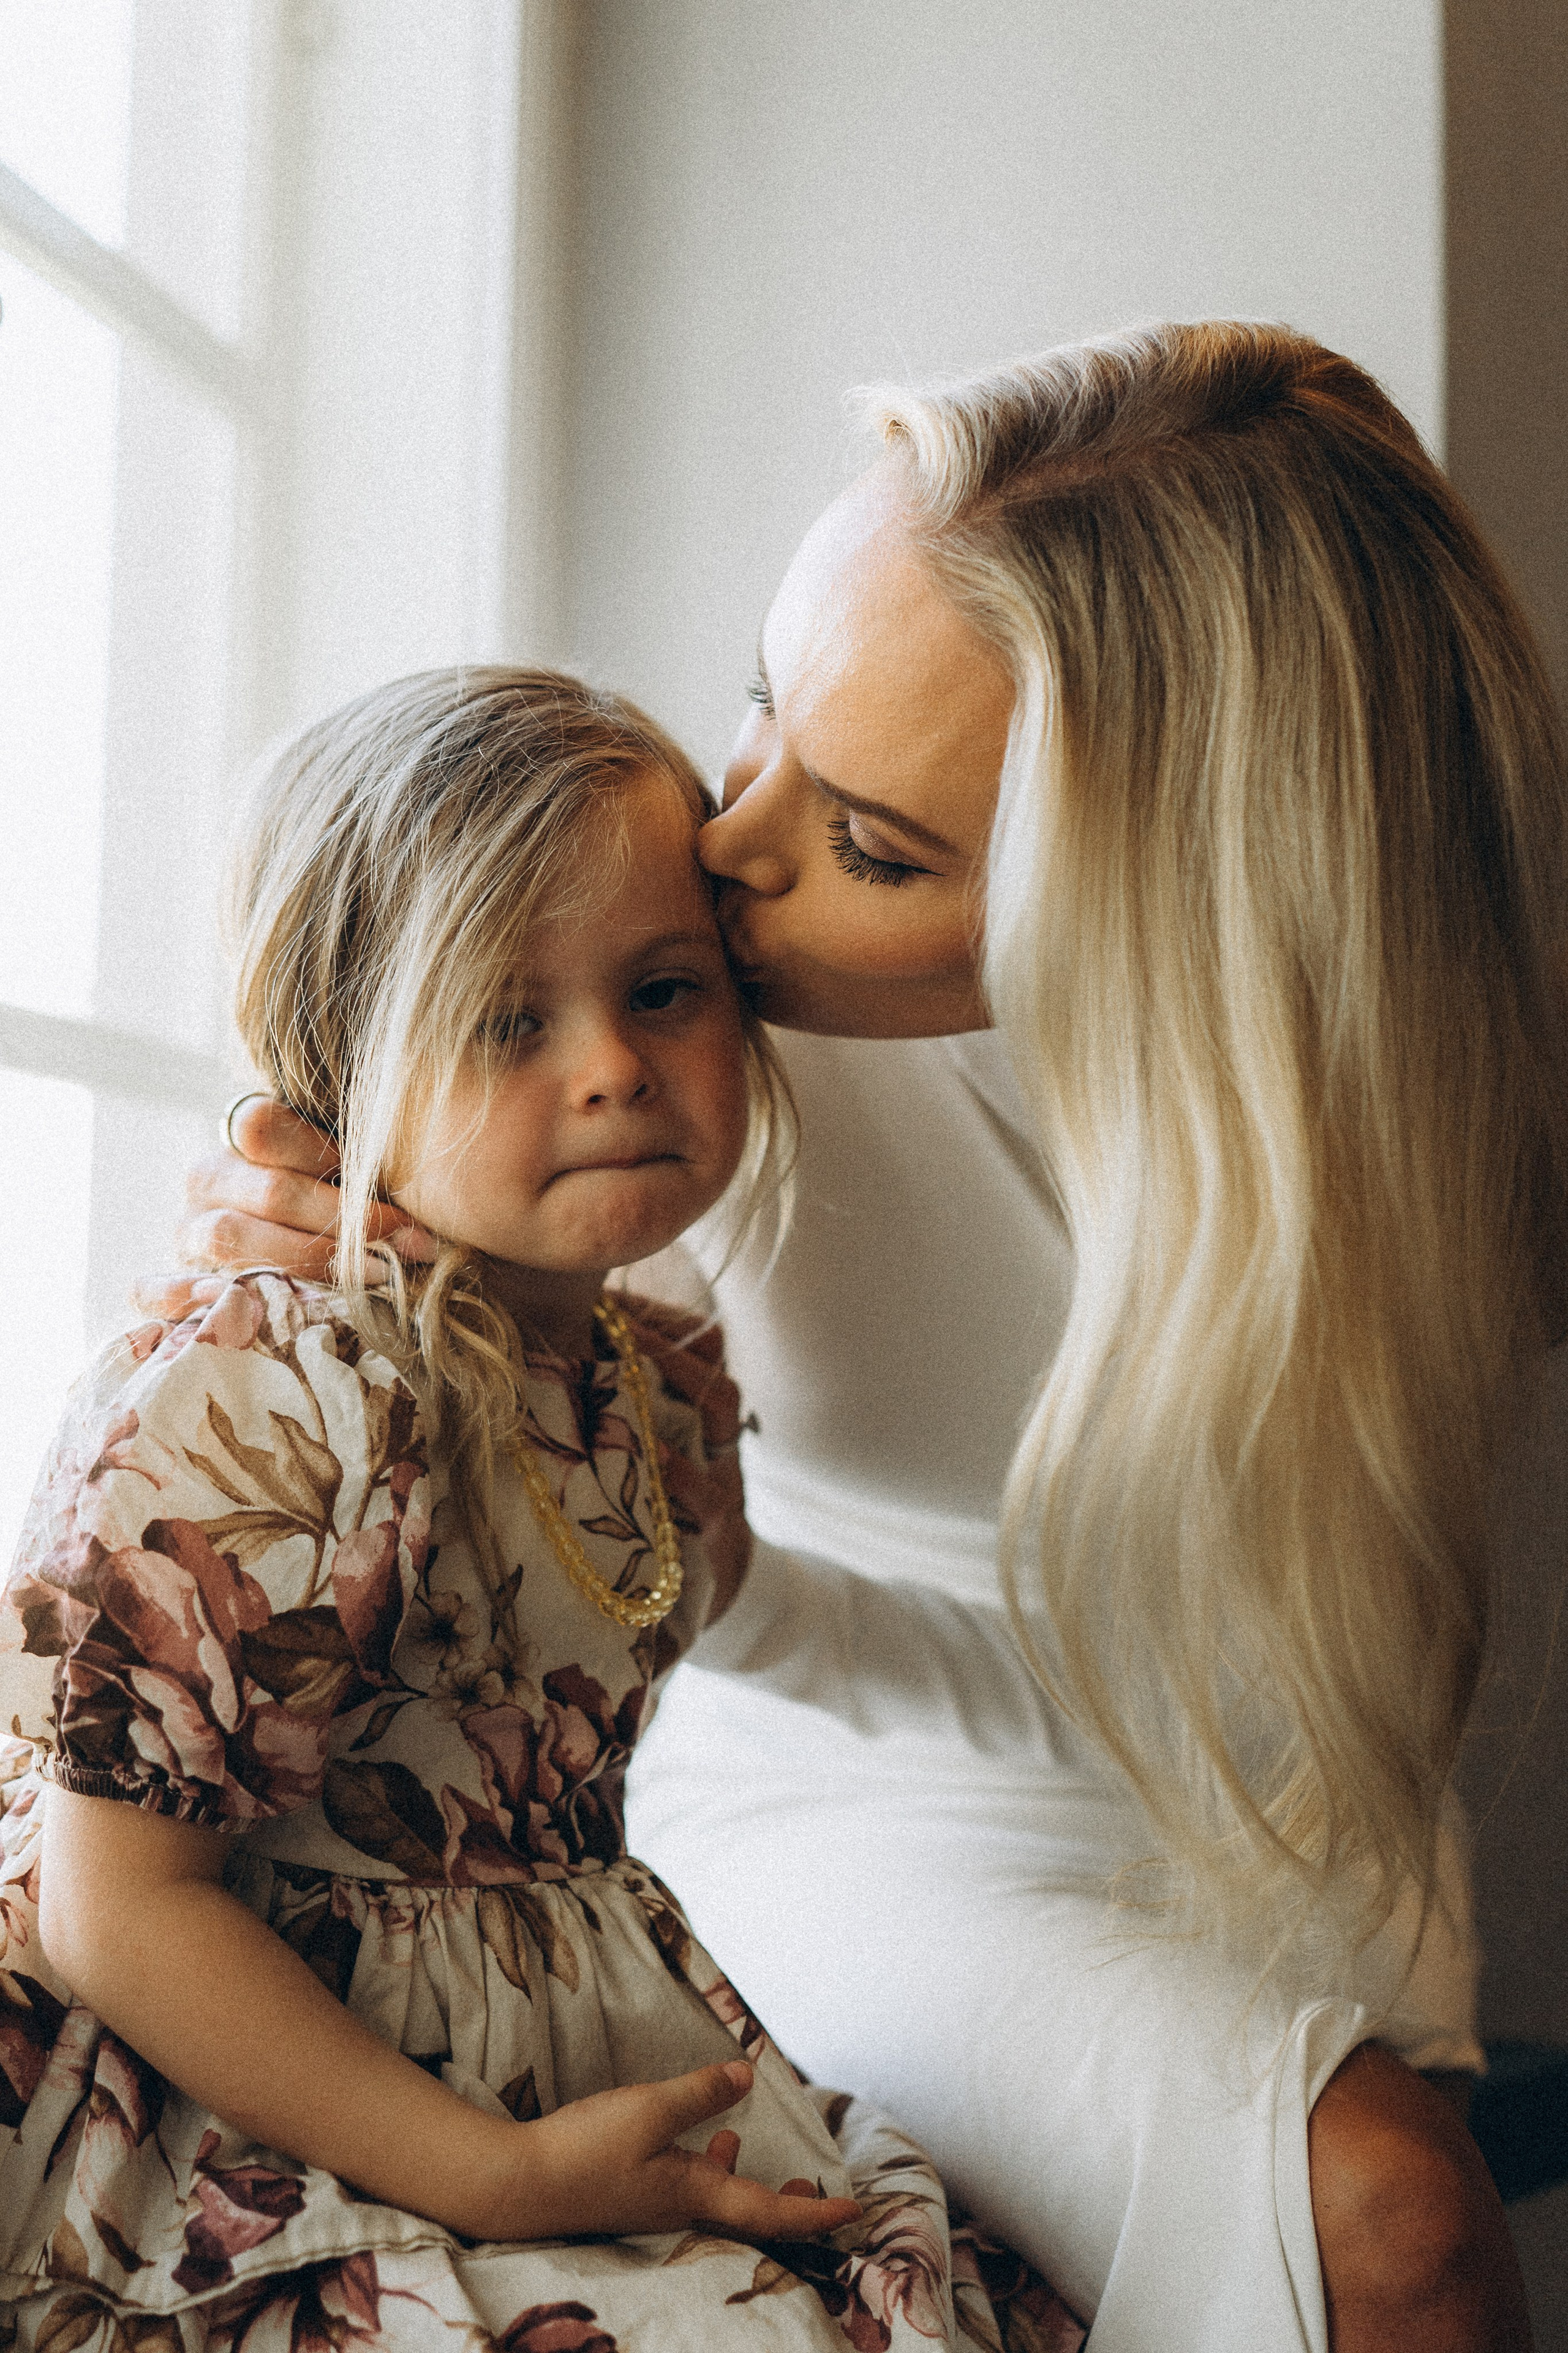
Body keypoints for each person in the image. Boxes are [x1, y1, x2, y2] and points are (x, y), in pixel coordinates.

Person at [152, 323, 1564, 2351]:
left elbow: (1318, 1651)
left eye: (876, 847)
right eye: (763, 712)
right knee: (1394, 2227)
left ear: (1176, 910)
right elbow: (532, 1552)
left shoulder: (1442, 1097)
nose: (728, 851)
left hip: (1289, 1817)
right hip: (835, 1785)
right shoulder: (679, 1018)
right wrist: (307, 1218)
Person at [0, 669, 1071, 2351]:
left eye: (665, 988)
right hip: (232, 2097)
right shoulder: (295, 1388)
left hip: (528, 2045)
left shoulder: (648, 1374)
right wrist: (492, 2174)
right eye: (511, 1019)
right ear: (338, 1080)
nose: (613, 1069)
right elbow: (115, 1905)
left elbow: (594, 1645)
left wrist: (705, 1522)